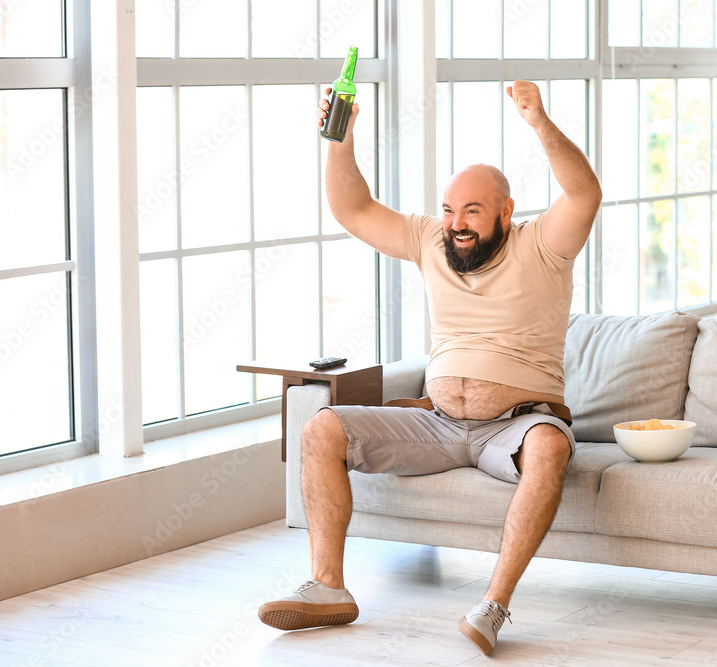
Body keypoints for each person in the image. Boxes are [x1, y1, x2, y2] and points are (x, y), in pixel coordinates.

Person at [258, 80, 601, 656]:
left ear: (506, 211)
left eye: (471, 210)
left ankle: (493, 606)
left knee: (550, 446)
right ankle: (328, 587)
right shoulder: (429, 242)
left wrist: (539, 120)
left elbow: (584, 192)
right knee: (320, 426)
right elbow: (353, 208)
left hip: (514, 426)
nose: (456, 223)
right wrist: (339, 138)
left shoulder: (542, 245)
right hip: (438, 423)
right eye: (448, 210)